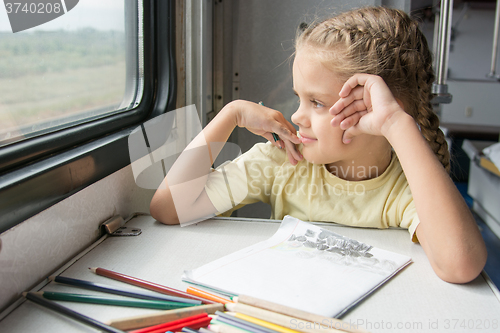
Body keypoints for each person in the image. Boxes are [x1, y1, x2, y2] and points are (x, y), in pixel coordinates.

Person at [150, 6, 487, 283]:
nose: (298, 116)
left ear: (375, 105)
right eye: (300, 98)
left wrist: (396, 123)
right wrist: (230, 115)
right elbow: (169, 208)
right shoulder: (281, 162)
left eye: (318, 103)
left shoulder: (405, 188)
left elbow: (460, 264)